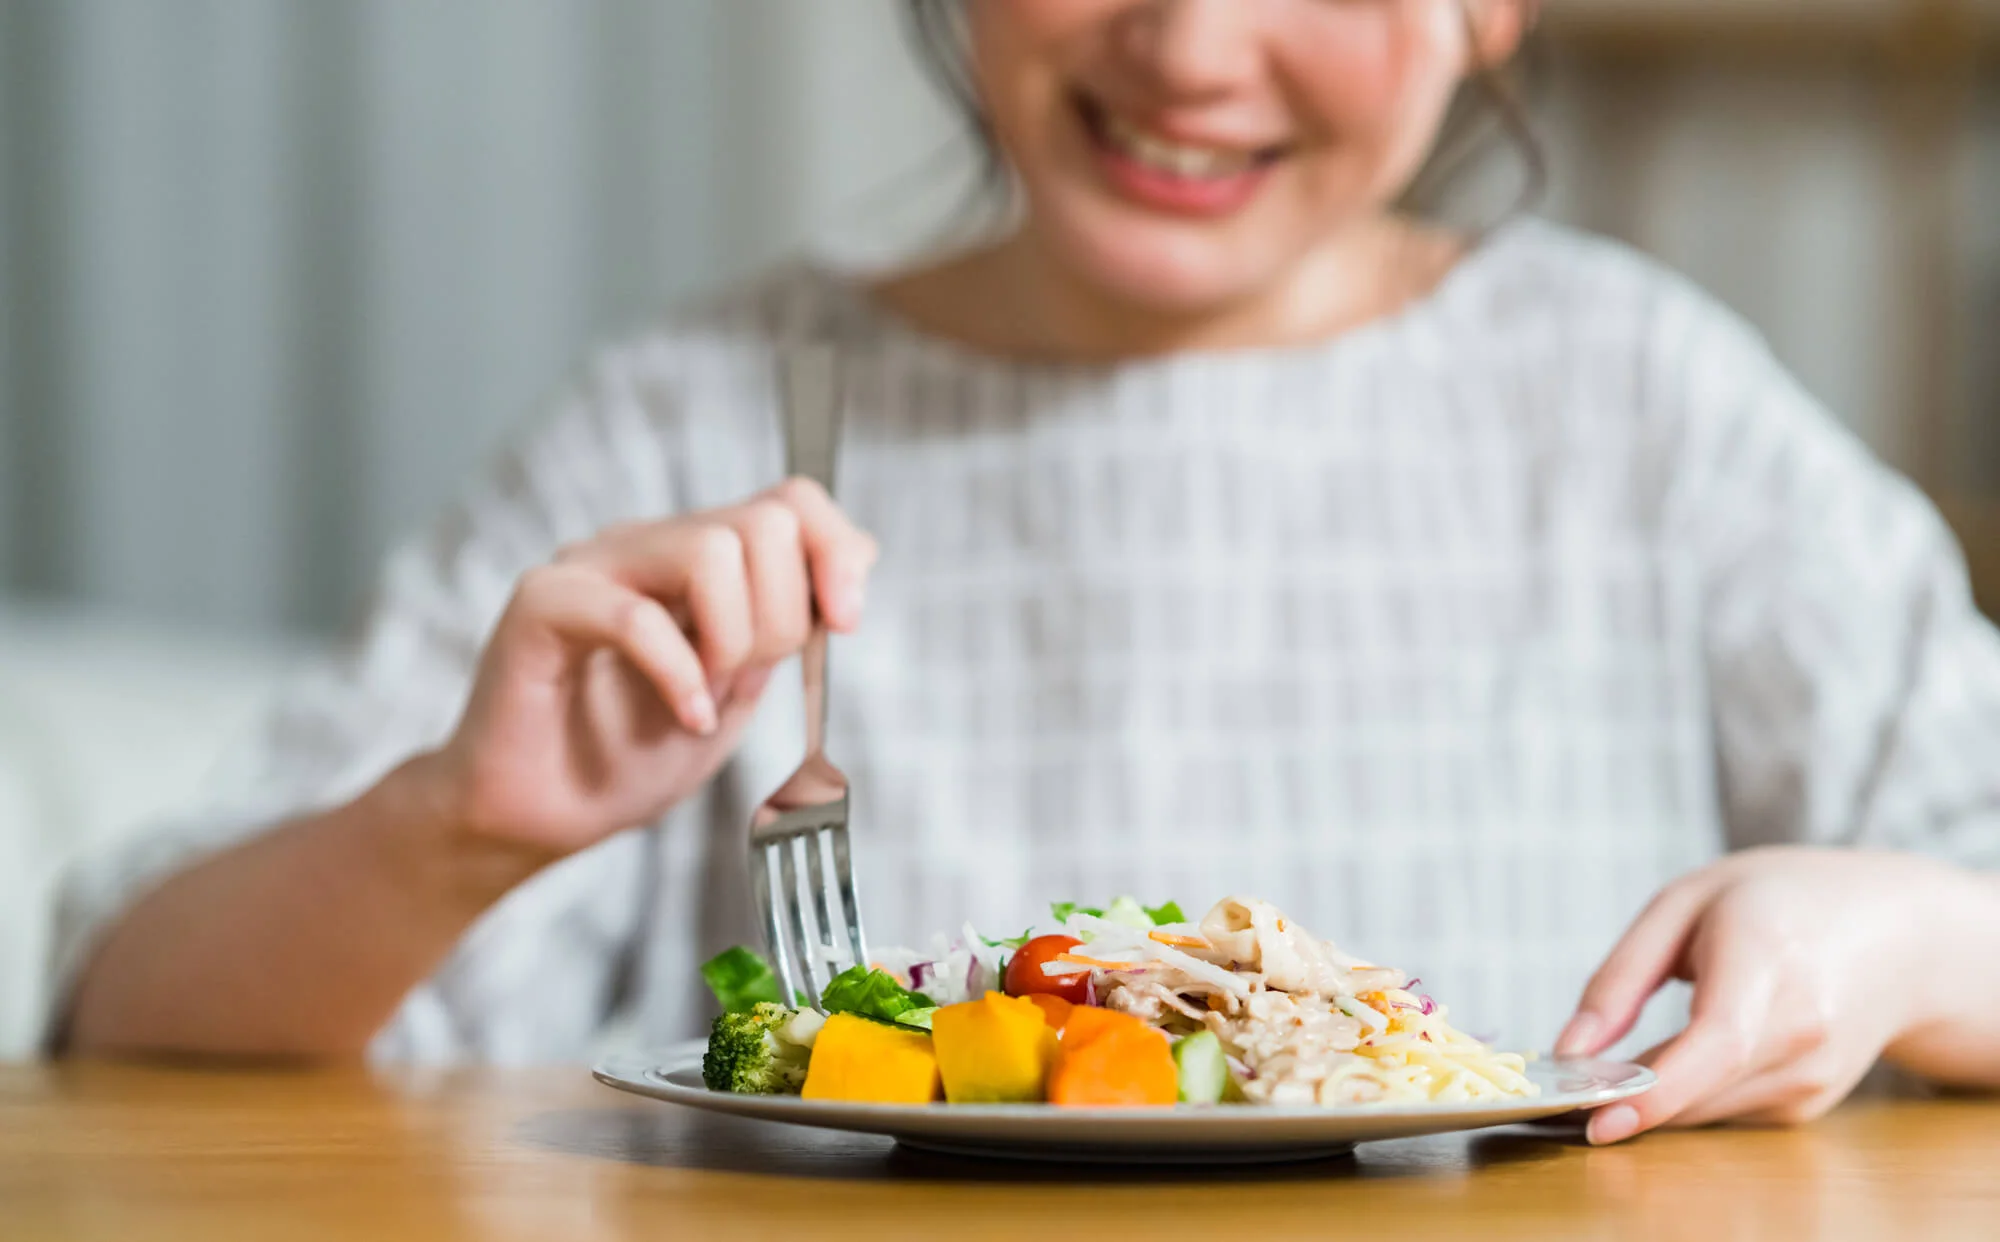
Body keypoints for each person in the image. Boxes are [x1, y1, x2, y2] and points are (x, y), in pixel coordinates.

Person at [52, 0, 2000, 1144]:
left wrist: (1909, 937)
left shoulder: (1641, 403)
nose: (1188, 48)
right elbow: (127, 1004)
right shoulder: (707, 412)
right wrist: (448, 826)